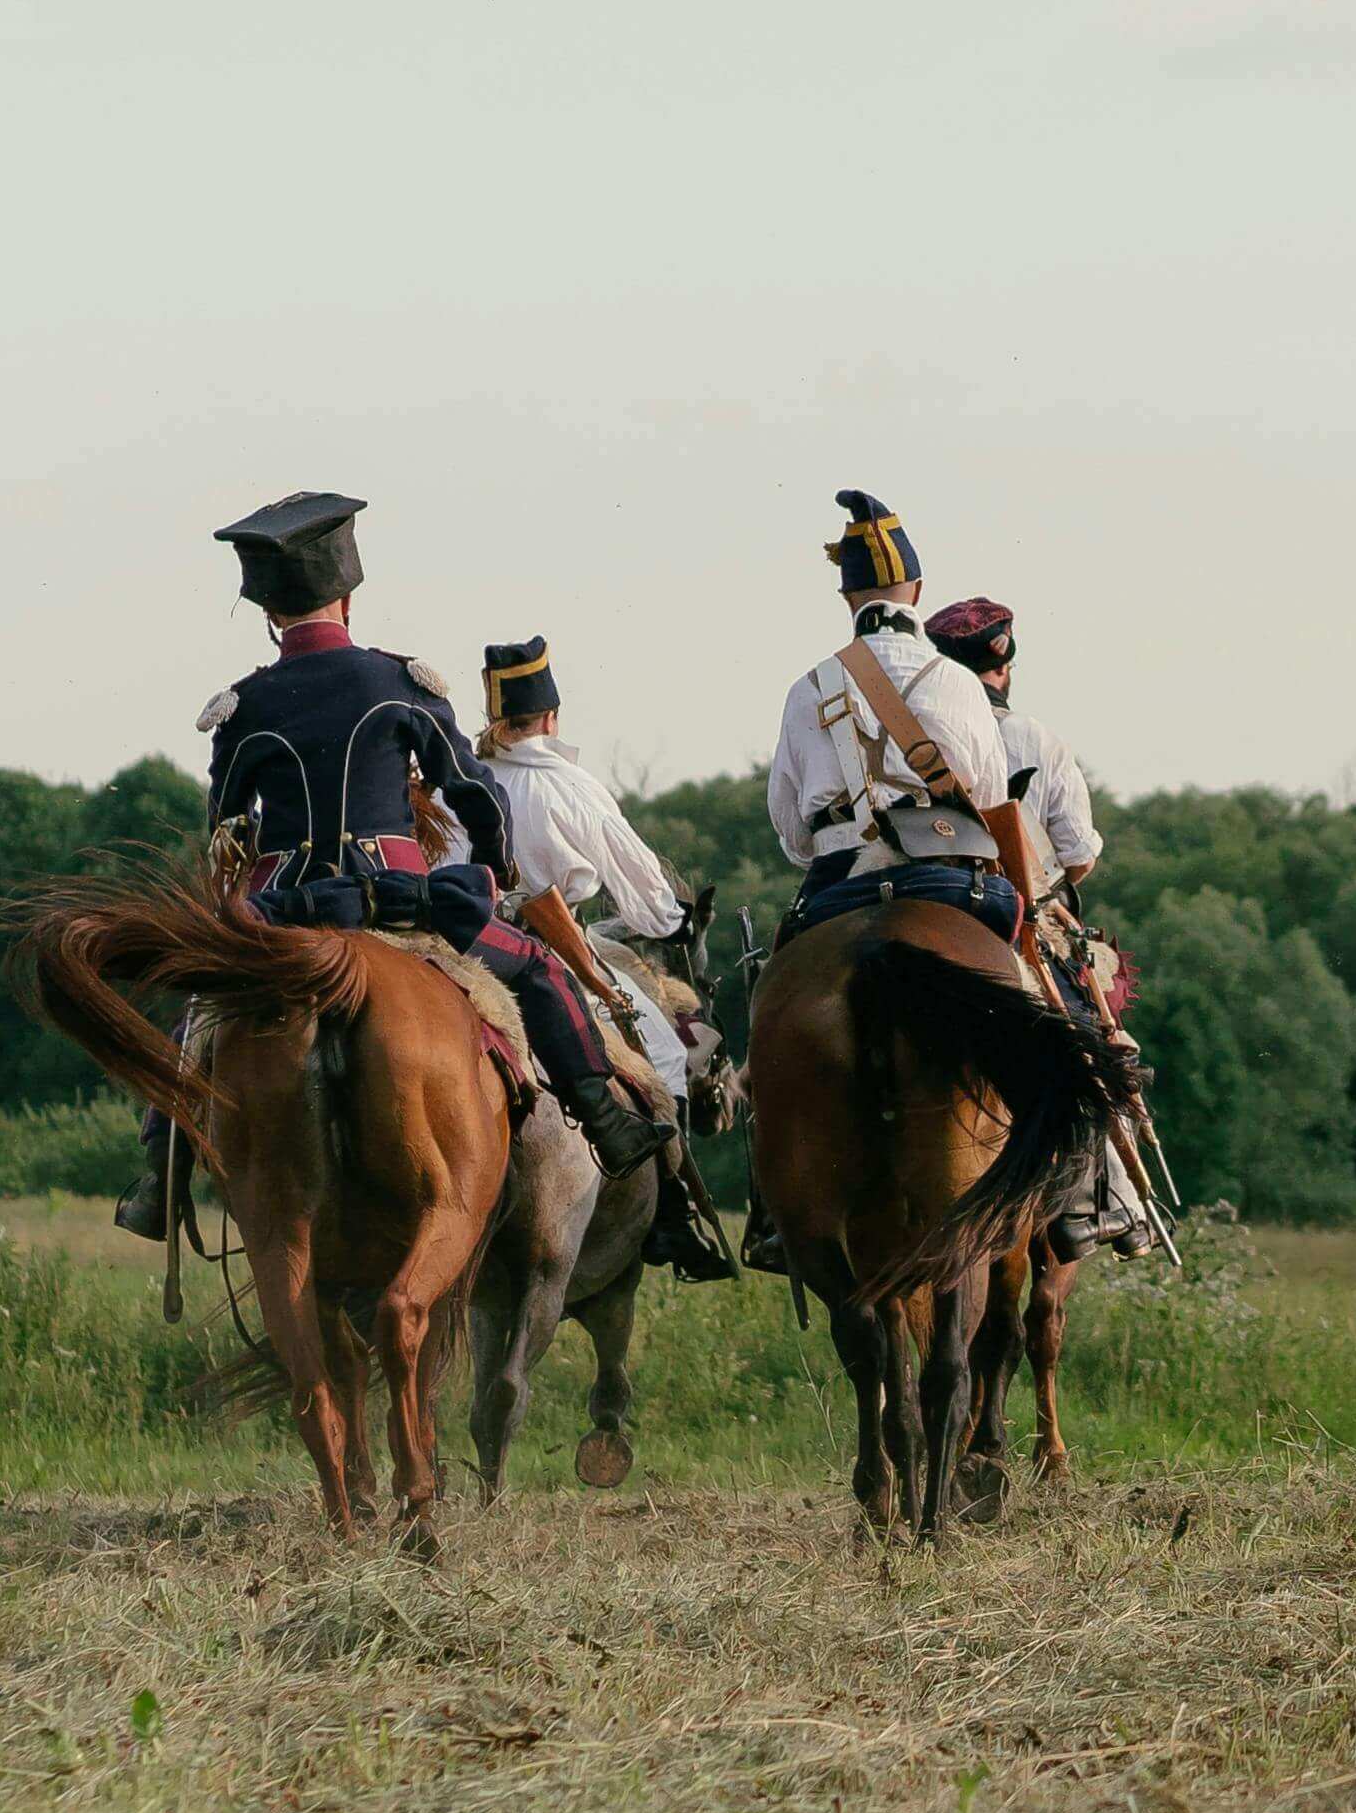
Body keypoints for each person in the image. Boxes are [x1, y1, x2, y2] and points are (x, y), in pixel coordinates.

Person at [112, 492, 653, 1239]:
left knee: (201, 1019)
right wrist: (490, 869)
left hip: (286, 913)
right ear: (348, 597)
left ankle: (159, 1180)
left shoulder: (245, 706)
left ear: (269, 613)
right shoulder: (399, 683)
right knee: (536, 968)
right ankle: (605, 1120)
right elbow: (475, 794)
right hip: (401, 904)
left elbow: (226, 829)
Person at [473, 634, 732, 1281]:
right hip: (551, 947)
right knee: (664, 1058)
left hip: (467, 944)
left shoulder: (465, 778)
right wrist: (673, 921)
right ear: (551, 717)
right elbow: (642, 888)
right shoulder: (567, 784)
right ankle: (668, 1215)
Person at [926, 594, 1161, 1252]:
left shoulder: (907, 732)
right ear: (1004, 664)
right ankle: (1103, 1199)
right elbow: (1078, 855)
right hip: (1017, 913)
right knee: (1091, 1040)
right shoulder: (1034, 738)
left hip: (921, 898)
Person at [763, 489, 1024, 936]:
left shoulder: (806, 689)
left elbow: (791, 828)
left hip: (839, 876)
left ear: (848, 598)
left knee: (779, 966)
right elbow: (989, 800)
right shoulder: (960, 682)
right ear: (917, 591)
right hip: (947, 872)